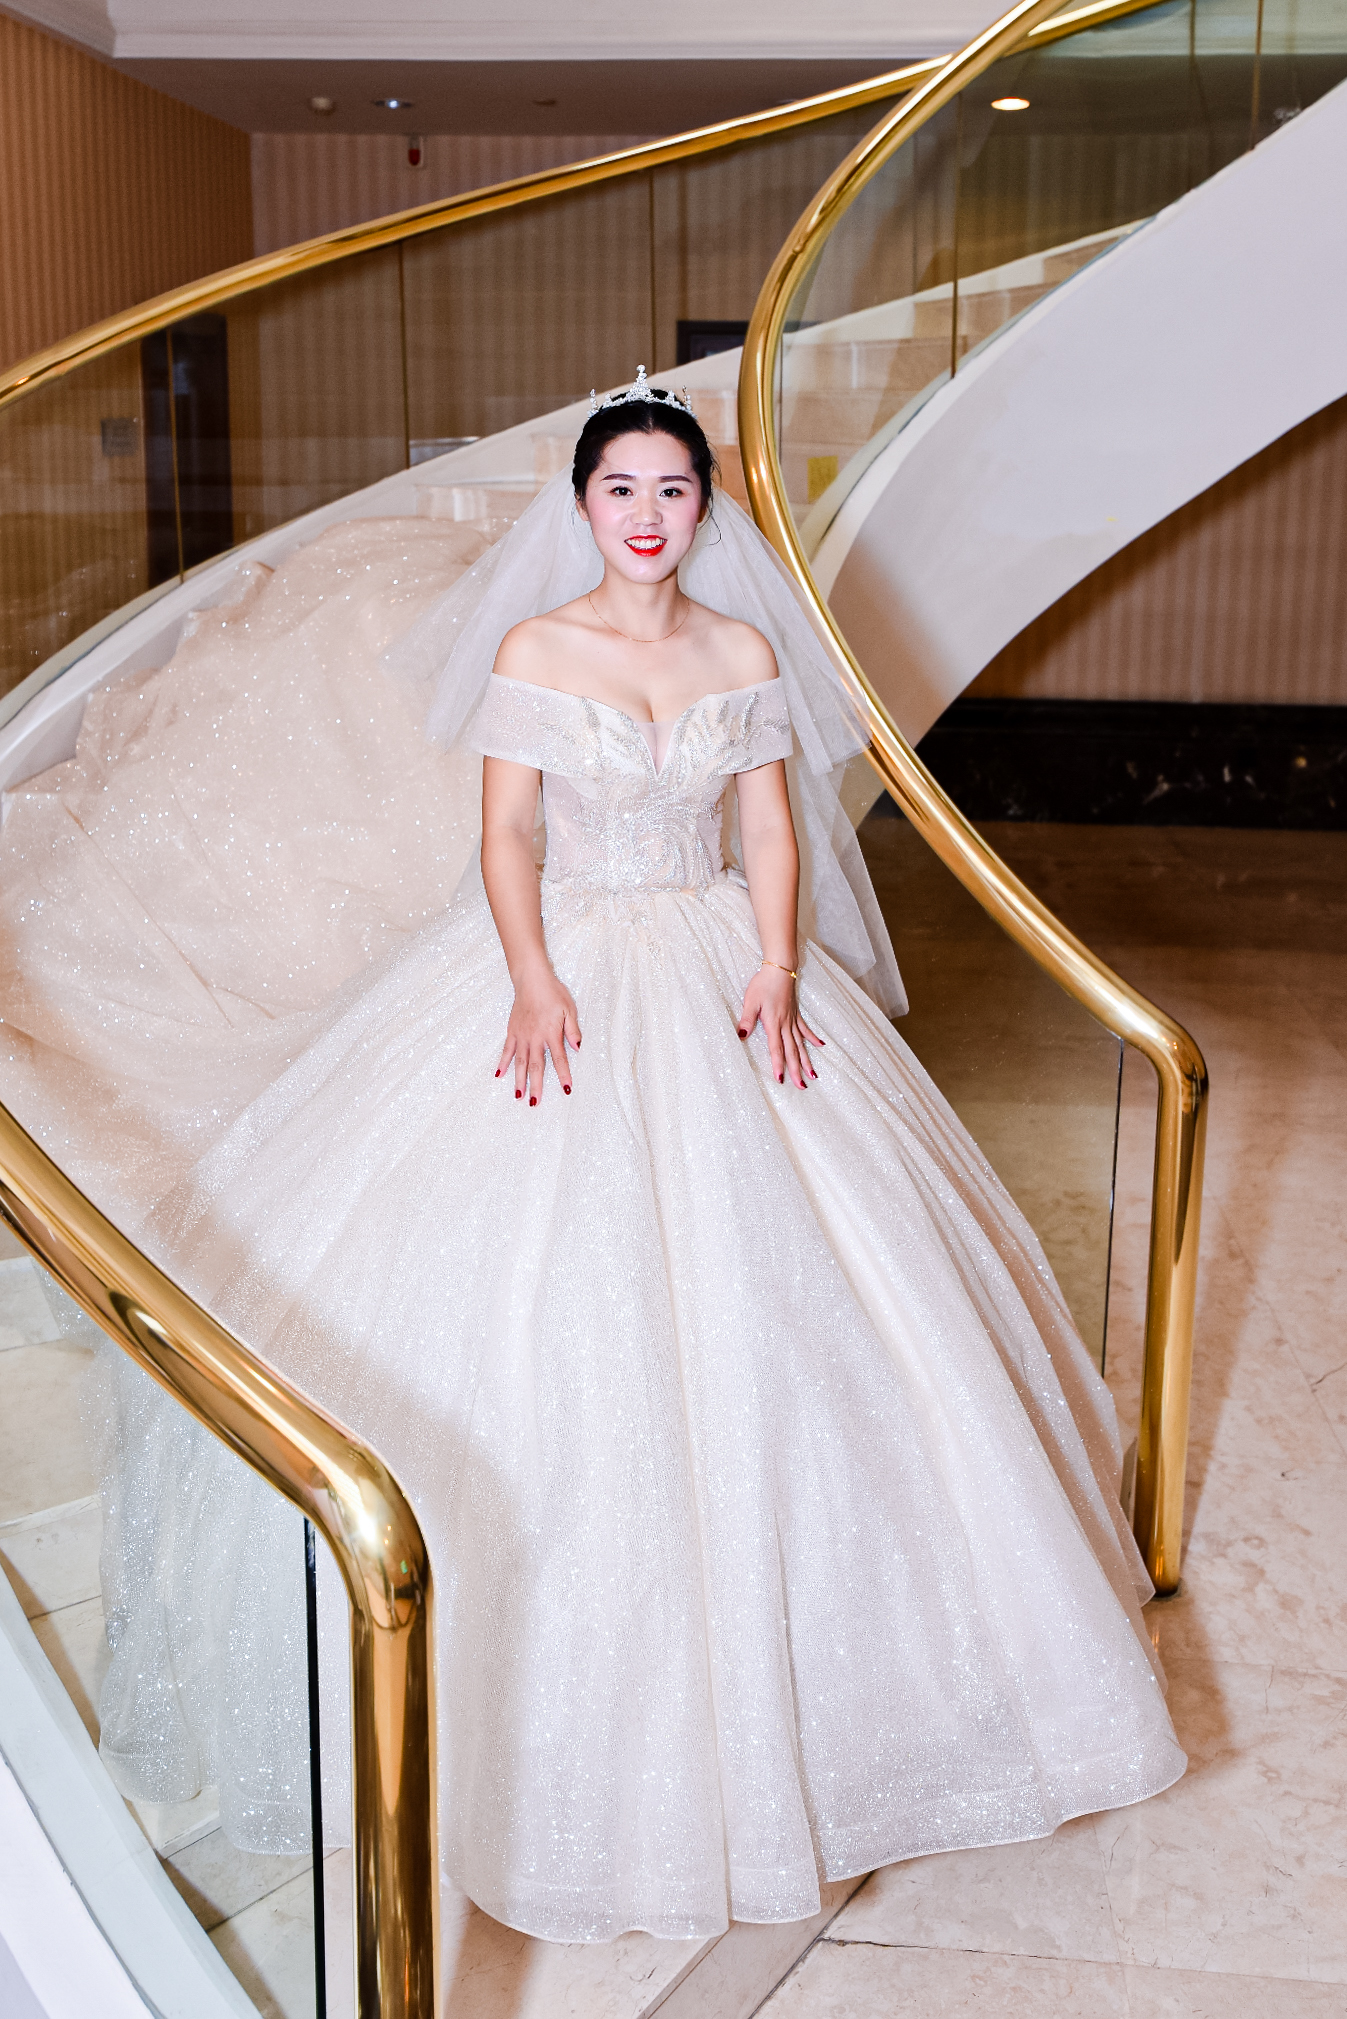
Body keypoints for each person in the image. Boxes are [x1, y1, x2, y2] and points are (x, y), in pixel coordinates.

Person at [6, 374, 1184, 1943]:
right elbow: (505, 837)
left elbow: (771, 828)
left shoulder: (741, 652)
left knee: (824, 1291)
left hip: (713, 957)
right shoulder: (536, 649)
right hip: (559, 961)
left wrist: (778, 963)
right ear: (583, 506)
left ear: (703, 509)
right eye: (620, 490)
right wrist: (532, 975)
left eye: (672, 491)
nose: (646, 515)